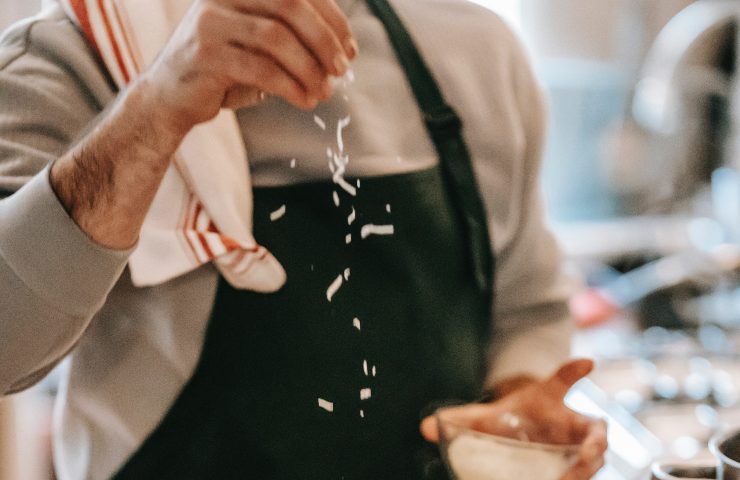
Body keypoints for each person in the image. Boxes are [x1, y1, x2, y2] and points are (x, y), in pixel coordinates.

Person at [0, 0, 607, 478]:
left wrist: (522, 401)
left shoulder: (477, 50)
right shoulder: (74, 55)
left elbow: (526, 304)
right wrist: (157, 105)